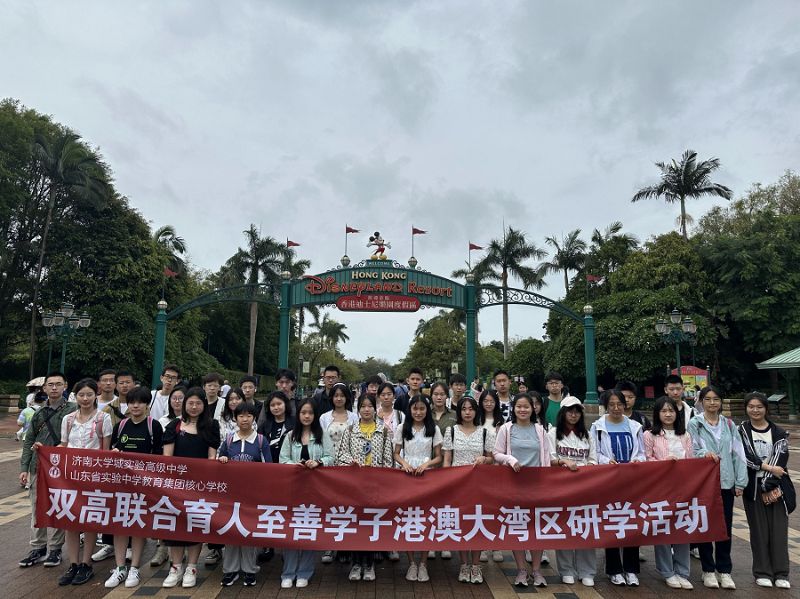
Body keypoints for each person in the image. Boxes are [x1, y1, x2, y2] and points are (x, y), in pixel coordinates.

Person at [688, 385, 747, 590]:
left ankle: (724, 570)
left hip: (726, 482)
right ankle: (708, 569)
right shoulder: (695, 424)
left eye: (716, 399)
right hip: (704, 484)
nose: (712, 403)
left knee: (724, 527)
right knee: (705, 525)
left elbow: (738, 454)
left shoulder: (729, 424)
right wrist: (703, 454)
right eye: (708, 399)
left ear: (721, 402)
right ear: (701, 402)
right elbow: (691, 449)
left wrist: (740, 482)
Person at [161, 387, 221, 588]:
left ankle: (192, 567)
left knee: (196, 524)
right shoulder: (174, 425)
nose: (194, 407)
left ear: (204, 405)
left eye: (198, 403)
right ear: (185, 404)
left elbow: (211, 457)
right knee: (176, 526)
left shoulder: (211, 426)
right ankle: (175, 567)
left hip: (200, 486)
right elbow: (167, 458)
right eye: (190, 403)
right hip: (177, 485)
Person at [104, 387, 164, 588]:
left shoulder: (154, 426)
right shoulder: (120, 426)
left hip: (144, 486)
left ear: (147, 405)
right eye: (132, 402)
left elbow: (159, 457)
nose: (135, 406)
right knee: (119, 525)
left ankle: (135, 568)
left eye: (140, 402)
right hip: (121, 485)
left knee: (138, 525)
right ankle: (120, 567)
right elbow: (111, 452)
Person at [18, 371, 77, 570]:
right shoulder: (39, 413)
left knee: (61, 506)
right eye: (50, 384)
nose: (54, 387)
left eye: (58, 384)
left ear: (65, 386)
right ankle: (38, 547)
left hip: (63, 468)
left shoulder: (73, 410)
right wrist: (24, 468)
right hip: (38, 466)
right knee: (37, 507)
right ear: (44, 388)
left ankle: (55, 548)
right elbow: (29, 440)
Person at [57, 378, 113, 586]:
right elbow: (63, 446)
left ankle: (86, 563)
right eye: (81, 395)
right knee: (70, 520)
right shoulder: (68, 419)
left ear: (95, 395)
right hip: (70, 478)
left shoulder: (103, 418)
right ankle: (73, 563)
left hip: (93, 478)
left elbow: (105, 451)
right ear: (76, 396)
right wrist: (45, 450)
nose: (85, 398)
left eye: (89, 394)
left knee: (89, 520)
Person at [493, 393, 551, 587]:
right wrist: (510, 459)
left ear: (533, 409)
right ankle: (521, 570)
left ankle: (536, 570)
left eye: (526, 406)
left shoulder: (540, 430)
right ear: (513, 408)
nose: (523, 410)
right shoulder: (506, 429)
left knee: (536, 528)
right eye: (519, 406)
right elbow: (496, 453)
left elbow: (547, 457)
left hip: (537, 487)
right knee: (518, 526)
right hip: (513, 486)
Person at [336, 394, 395, 582]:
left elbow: (388, 461)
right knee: (356, 523)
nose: (366, 409)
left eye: (370, 406)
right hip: (354, 486)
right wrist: (351, 462)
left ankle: (369, 564)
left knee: (371, 524)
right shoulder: (350, 430)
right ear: (358, 409)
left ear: (375, 409)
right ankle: (356, 563)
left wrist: (383, 480)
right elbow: (340, 455)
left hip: (375, 486)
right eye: (363, 406)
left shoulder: (383, 431)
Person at [738, 392, 793, 589]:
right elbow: (745, 456)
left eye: (759, 407)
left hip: (776, 487)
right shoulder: (741, 430)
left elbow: (781, 458)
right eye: (751, 406)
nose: (755, 410)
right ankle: (762, 572)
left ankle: (781, 573)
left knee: (779, 530)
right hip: (753, 489)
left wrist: (768, 482)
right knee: (758, 531)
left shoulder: (779, 432)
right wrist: (766, 468)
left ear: (766, 409)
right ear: (746, 408)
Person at [590, 389, 645, 587]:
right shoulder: (597, 427)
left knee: (632, 523)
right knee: (612, 522)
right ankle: (614, 570)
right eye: (611, 404)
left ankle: (631, 569)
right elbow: (594, 453)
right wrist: (606, 461)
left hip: (632, 482)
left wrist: (637, 460)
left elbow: (642, 452)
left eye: (619, 404)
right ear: (605, 406)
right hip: (610, 482)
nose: (616, 408)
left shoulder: (635, 426)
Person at [279, 399, 334, 588]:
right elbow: (282, 460)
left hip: (315, 491)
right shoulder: (290, 436)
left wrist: (318, 462)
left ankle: (304, 572)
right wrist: (294, 465)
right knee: (291, 530)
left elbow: (331, 457)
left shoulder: (322, 435)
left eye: (310, 413)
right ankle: (288, 572)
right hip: (293, 490)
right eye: (303, 412)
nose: (307, 416)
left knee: (309, 530)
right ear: (298, 415)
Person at [217, 402, 271, 587]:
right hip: (231, 496)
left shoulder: (261, 441)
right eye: (241, 416)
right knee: (231, 531)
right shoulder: (229, 440)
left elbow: (269, 468)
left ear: (254, 418)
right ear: (235, 418)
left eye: (248, 416)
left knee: (248, 530)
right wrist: (222, 460)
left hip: (252, 496)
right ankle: (230, 570)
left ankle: (249, 570)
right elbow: (219, 463)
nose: (245, 419)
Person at [442, 396, 494, 584]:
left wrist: (484, 459)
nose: (467, 412)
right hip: (458, 485)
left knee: (477, 523)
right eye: (463, 409)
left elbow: (492, 458)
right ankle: (464, 564)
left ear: (476, 411)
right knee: (462, 524)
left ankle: (476, 565)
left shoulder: (485, 433)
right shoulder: (451, 431)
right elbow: (447, 460)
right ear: (459, 412)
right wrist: (447, 482)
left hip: (479, 485)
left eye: (471, 409)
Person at [643, 396, 693, 590]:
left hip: (682, 489)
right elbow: (646, 459)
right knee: (663, 529)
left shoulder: (685, 435)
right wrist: (663, 463)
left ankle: (683, 571)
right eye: (663, 411)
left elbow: (691, 460)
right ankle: (667, 571)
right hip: (660, 489)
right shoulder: (650, 435)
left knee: (682, 528)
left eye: (671, 410)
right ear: (657, 414)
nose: (668, 414)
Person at [548, 397, 597, 587]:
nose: (574, 414)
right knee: (564, 527)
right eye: (570, 411)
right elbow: (550, 459)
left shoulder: (587, 435)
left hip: (585, 488)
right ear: (563, 413)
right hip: (561, 488)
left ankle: (587, 571)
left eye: (577, 411)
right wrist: (563, 462)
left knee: (585, 527)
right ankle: (566, 570)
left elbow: (593, 459)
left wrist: (586, 468)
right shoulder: (553, 433)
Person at [393, 396, 443, 582]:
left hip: (426, 477)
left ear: (427, 410)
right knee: (408, 518)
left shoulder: (433, 429)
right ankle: (411, 563)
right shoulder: (402, 428)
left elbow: (439, 456)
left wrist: (427, 464)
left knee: (426, 519)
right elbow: (396, 453)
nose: (418, 412)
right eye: (415, 408)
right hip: (406, 477)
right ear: (409, 410)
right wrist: (404, 463)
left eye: (422, 409)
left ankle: (423, 563)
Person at [149, 384, 187, 568]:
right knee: (165, 508)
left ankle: (182, 549)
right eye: (174, 398)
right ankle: (162, 547)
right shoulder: (162, 421)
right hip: (166, 471)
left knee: (183, 509)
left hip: (187, 472)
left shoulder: (193, 421)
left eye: (181, 398)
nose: (177, 401)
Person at [257, 391, 295, 463]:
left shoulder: (295, 423)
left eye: (279, 404)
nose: (276, 407)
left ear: (285, 404)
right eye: (272, 405)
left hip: (289, 463)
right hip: (269, 464)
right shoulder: (264, 426)